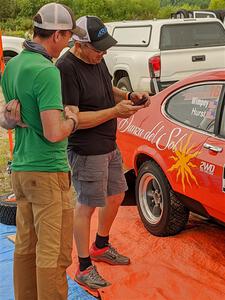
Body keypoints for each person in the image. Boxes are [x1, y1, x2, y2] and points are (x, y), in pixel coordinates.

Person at [56, 15, 151, 290]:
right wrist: (115, 112)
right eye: (98, 49)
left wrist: (128, 96)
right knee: (86, 206)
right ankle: (83, 266)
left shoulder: (96, 59)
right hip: (86, 150)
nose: (103, 53)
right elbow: (72, 119)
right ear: (79, 43)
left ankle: (100, 246)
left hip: (109, 143)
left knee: (117, 194)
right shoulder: (65, 68)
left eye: (105, 48)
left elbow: (106, 87)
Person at [0, 3, 85, 300]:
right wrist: (72, 119)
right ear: (57, 35)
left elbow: (6, 119)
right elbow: (53, 133)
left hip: (22, 170)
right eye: (67, 37)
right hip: (48, 172)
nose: (68, 43)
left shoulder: (13, 65)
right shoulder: (46, 71)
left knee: (25, 246)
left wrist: (11, 120)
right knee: (53, 255)